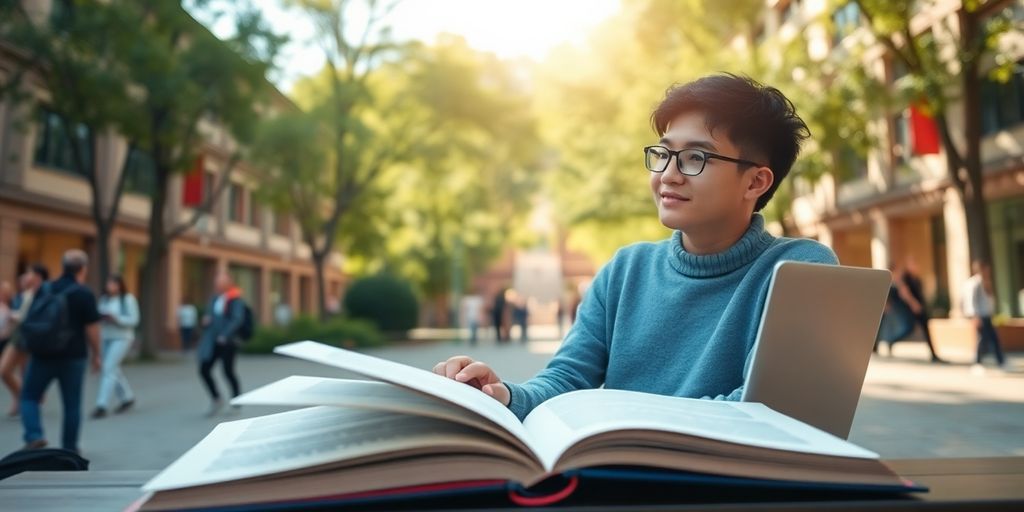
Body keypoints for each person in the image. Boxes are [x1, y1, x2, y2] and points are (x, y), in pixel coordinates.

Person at [432, 74, 837, 419]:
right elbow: (567, 380)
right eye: (663, 154)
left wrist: (617, 421)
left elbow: (768, 410)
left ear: (756, 182)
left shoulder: (802, 268)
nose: (669, 174)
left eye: (695, 157)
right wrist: (501, 395)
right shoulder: (626, 270)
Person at [20, 250, 101, 453]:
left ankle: (35, 435)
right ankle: (70, 448)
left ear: (63, 266)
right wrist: (97, 355)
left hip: (42, 355)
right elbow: (92, 329)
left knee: (29, 396)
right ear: (83, 269)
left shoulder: (45, 289)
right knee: (72, 405)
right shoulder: (84, 294)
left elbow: (31, 318)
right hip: (74, 357)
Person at [1, 265, 48, 417]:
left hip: (30, 339)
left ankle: (26, 400)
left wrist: (16, 317)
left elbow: (30, 317)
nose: (25, 277)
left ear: (38, 278)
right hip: (17, 338)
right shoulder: (22, 295)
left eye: (29, 274)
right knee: (4, 371)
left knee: (26, 373)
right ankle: (25, 398)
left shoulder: (43, 295)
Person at [198, 272, 246, 417]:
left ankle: (237, 400)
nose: (217, 284)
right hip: (213, 341)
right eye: (217, 281)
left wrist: (225, 334)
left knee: (228, 371)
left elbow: (237, 319)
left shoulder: (235, 299)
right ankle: (216, 398)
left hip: (228, 342)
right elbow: (210, 315)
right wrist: (206, 320)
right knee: (204, 369)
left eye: (221, 281)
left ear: (229, 282)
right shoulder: (214, 298)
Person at [91, 274, 139, 418]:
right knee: (113, 369)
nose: (110, 286)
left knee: (108, 368)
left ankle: (102, 405)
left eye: (114, 284)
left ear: (120, 285)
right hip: (106, 337)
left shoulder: (128, 300)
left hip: (122, 338)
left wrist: (117, 319)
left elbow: (134, 320)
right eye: (109, 283)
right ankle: (127, 398)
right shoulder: (104, 300)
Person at [963, 260, 1007, 373]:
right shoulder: (974, 283)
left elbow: (989, 300)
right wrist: (975, 316)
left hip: (987, 315)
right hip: (980, 316)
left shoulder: (986, 282)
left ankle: (1001, 361)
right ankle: (977, 363)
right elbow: (971, 301)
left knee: (993, 338)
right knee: (981, 339)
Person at [900, 257, 944, 362]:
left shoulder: (917, 279)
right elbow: (905, 292)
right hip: (912, 309)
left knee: (926, 329)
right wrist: (914, 304)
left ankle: (933, 354)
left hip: (920, 308)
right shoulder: (906, 278)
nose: (916, 267)